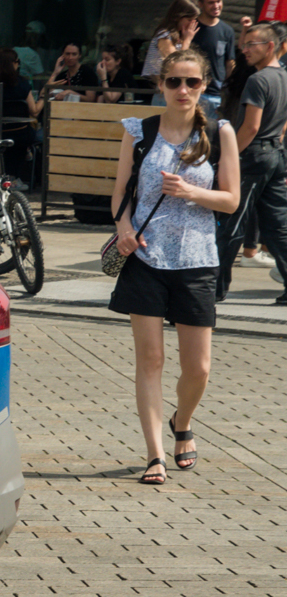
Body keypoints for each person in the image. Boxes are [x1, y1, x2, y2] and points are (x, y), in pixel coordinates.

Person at [106, 47, 240, 484]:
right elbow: (121, 194)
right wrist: (123, 227)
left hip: (198, 260)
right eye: (174, 82)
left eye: (192, 82)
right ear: (161, 85)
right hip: (146, 257)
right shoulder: (140, 131)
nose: (183, 90)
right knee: (151, 360)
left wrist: (191, 192)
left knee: (198, 368)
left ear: (204, 86)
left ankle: (182, 422)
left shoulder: (219, 133)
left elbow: (231, 199)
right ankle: (154, 455)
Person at [214, 22, 287, 298]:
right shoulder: (284, 77)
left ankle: (215, 289)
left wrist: (228, 157)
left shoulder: (258, 80)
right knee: (278, 225)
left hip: (254, 154)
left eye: (251, 45)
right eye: (244, 45)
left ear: (270, 46)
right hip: (275, 155)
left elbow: (251, 126)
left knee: (232, 221)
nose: (245, 50)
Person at [0, 50, 37, 183]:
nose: (18, 65)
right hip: (20, 135)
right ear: (12, 64)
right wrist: (43, 96)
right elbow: (35, 111)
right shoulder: (21, 84)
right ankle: (15, 176)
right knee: (32, 133)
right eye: (17, 62)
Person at [193, 0, 238, 118]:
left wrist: (226, 89)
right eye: (211, 2)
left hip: (217, 95)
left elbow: (230, 63)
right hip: (194, 93)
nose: (216, 6)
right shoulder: (192, 27)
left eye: (219, 1)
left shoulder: (227, 30)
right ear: (200, 4)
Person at [143, 0, 201, 87]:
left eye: (195, 20)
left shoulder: (180, 37)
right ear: (177, 17)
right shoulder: (164, 35)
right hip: (161, 87)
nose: (192, 24)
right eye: (189, 20)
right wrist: (187, 41)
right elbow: (176, 62)